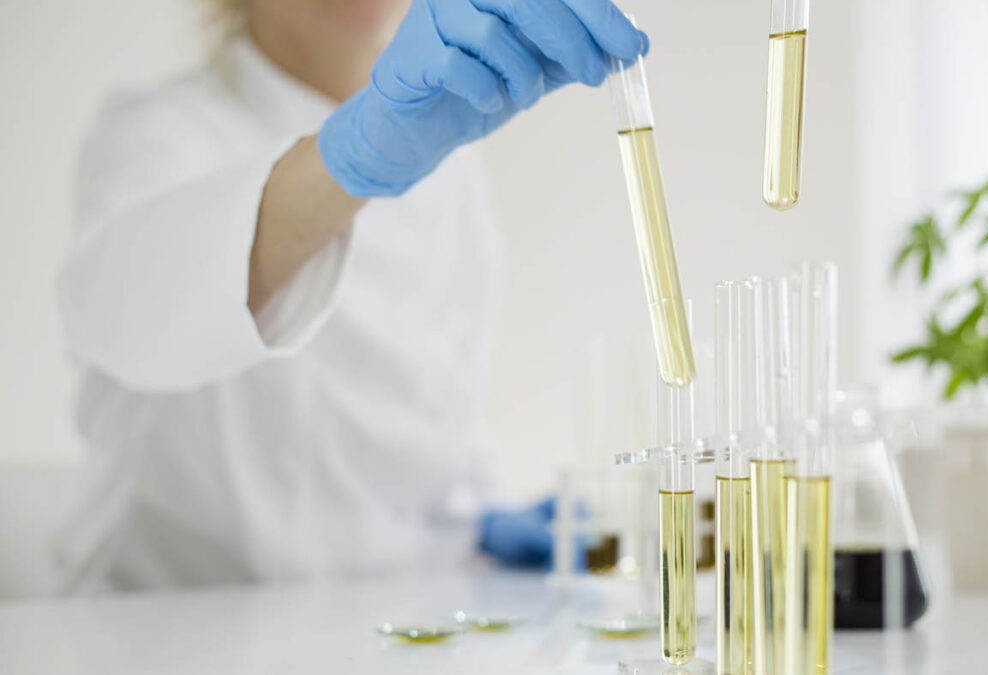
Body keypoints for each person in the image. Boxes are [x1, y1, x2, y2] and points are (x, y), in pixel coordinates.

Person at [54, 0, 646, 591]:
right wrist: (348, 159)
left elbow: (435, 411)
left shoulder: (451, 154)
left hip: (379, 618)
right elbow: (125, 318)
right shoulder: (159, 130)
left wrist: (477, 516)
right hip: (166, 624)